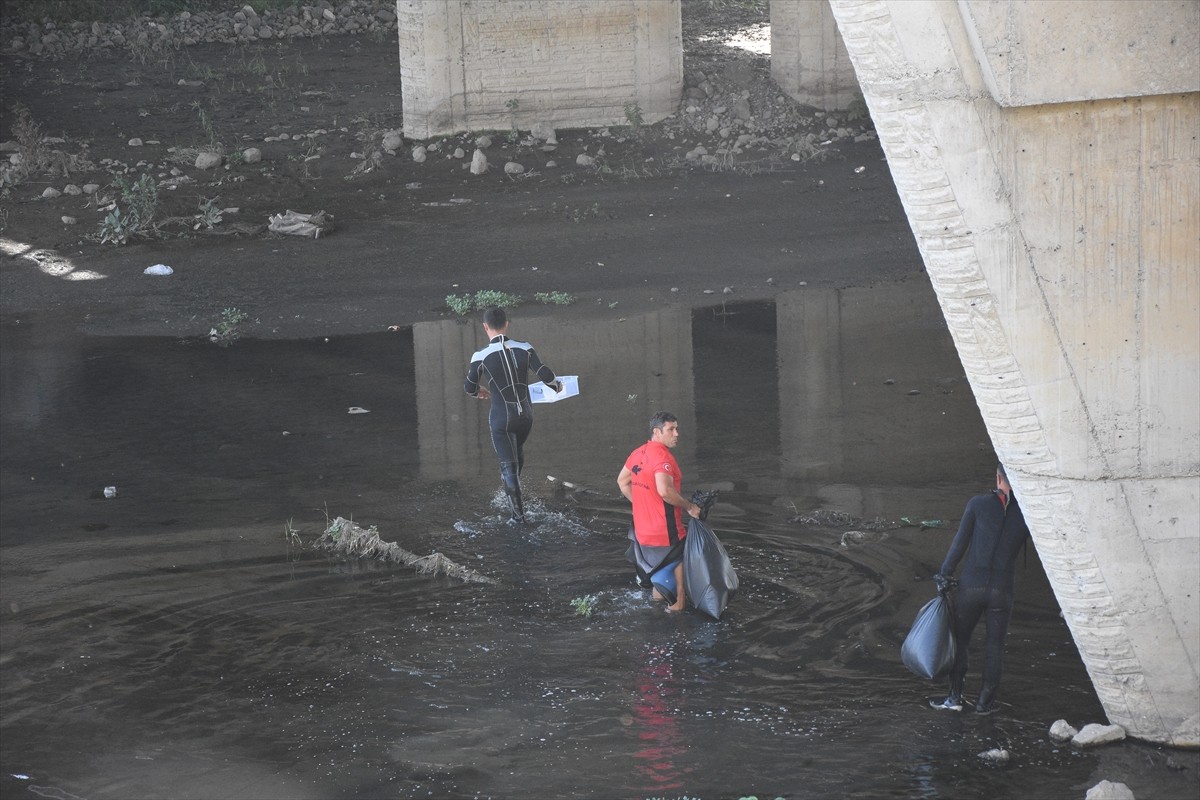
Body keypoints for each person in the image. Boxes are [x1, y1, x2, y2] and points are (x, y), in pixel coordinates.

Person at [929, 463, 1031, 715]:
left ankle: (954, 698)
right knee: (995, 646)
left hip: (971, 586)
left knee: (961, 641)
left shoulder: (977, 504)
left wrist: (944, 575)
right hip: (1002, 590)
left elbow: (959, 544)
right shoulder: (1029, 512)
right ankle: (984, 704)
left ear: (998, 478)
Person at [464, 307, 559, 522]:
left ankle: (518, 518)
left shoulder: (480, 356)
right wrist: (558, 386)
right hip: (526, 417)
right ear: (507, 324)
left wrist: (480, 392)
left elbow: (469, 388)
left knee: (508, 465)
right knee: (515, 451)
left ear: (485, 327)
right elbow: (546, 374)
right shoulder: (525, 348)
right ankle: (512, 490)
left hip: (501, 418)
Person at [617, 411, 702, 613]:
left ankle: (657, 606)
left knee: (657, 570)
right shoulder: (663, 457)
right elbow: (665, 491)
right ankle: (678, 604)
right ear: (657, 431)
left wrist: (642, 505)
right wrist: (690, 507)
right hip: (663, 530)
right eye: (671, 429)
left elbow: (622, 482)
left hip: (642, 531)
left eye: (677, 428)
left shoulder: (637, 453)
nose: (676, 433)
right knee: (679, 554)